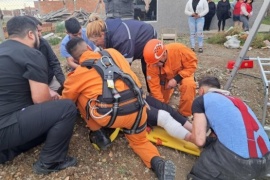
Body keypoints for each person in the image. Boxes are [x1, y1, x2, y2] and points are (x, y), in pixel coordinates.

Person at [62, 37, 176, 180]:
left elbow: (65, 102)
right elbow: (131, 75)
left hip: (109, 116)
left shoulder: (77, 75)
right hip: (138, 110)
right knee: (139, 141)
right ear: (89, 47)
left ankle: (98, 134)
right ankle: (157, 162)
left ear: (74, 59)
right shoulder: (113, 53)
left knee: (79, 96)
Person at [0, 16, 77, 174]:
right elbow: (40, 100)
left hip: (6, 122)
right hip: (5, 126)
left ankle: (7, 151)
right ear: (30, 34)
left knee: (46, 128)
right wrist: (54, 100)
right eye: (38, 32)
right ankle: (49, 162)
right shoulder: (30, 53)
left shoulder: (4, 50)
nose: (39, 36)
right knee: (67, 108)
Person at [187, 76, 270, 179]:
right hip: (266, 160)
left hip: (240, 161)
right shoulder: (236, 101)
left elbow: (199, 141)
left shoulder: (201, 100)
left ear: (201, 90)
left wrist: (188, 136)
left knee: (200, 171)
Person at [86, 14, 157, 92]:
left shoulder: (121, 39)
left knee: (148, 70)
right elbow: (101, 52)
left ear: (102, 35)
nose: (95, 45)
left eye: (95, 42)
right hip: (132, 39)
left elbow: (125, 65)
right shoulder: (105, 30)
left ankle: (152, 94)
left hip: (147, 35)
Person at [143, 39, 198, 118]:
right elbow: (154, 88)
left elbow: (192, 65)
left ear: (164, 55)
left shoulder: (179, 50)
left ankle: (184, 114)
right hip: (165, 79)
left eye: (156, 63)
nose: (154, 65)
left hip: (184, 74)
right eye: (153, 64)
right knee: (160, 102)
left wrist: (176, 79)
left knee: (189, 85)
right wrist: (162, 108)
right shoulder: (151, 64)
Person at [26, 16, 65, 93]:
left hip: (49, 81)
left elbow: (54, 62)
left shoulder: (43, 43)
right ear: (30, 33)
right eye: (38, 31)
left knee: (63, 93)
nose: (40, 34)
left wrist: (63, 82)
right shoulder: (22, 49)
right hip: (32, 87)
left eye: (41, 31)